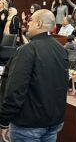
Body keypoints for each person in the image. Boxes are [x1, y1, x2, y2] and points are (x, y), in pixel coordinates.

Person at [0, 9, 69, 142]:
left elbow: (15, 89)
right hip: (54, 121)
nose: (27, 24)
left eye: (30, 21)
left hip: (28, 124)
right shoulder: (61, 49)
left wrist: (4, 120)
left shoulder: (26, 50)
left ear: (39, 24)